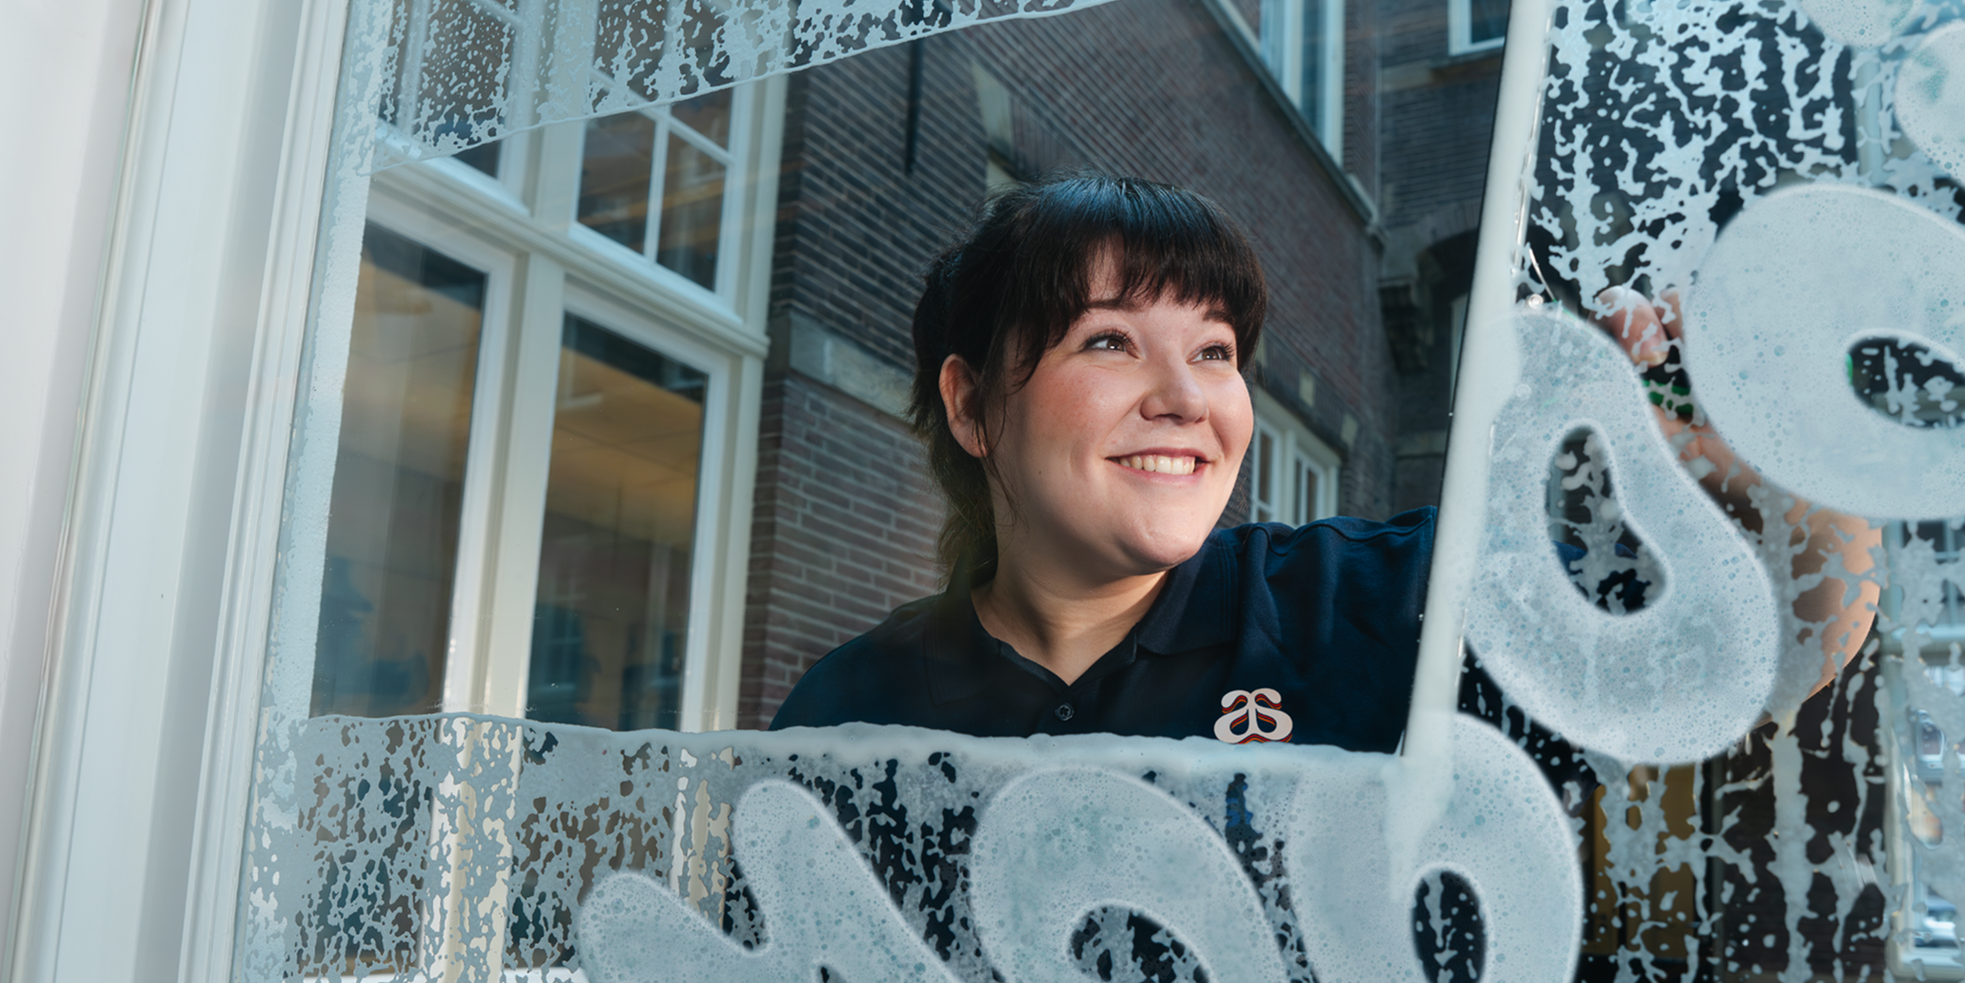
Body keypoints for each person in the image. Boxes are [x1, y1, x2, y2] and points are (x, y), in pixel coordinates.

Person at [770, 173, 1879, 748]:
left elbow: (1781, 637)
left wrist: (1719, 446)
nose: (1186, 399)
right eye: (1109, 340)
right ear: (972, 406)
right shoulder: (849, 705)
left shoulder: (1376, 610)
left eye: (1215, 351)